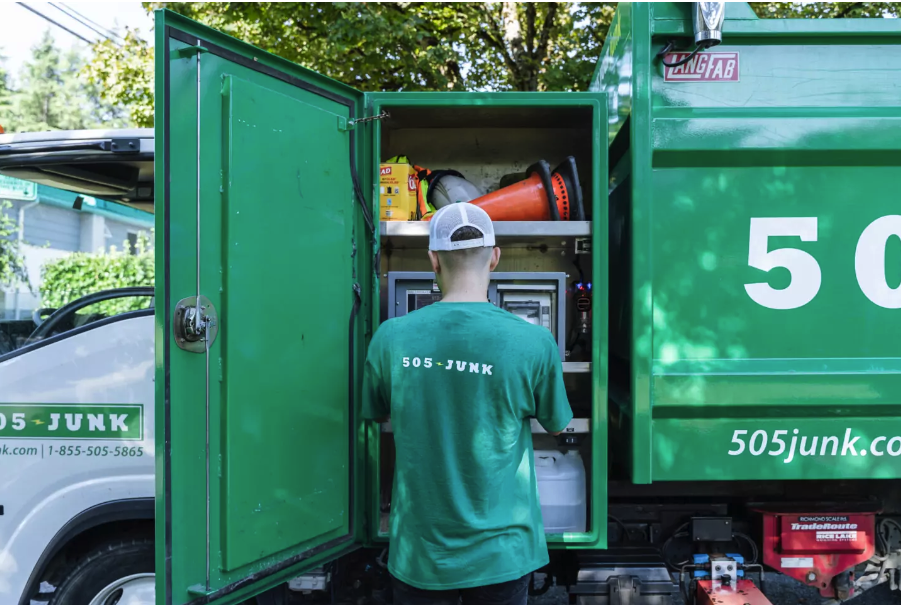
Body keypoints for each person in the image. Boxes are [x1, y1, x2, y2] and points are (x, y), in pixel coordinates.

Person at [362, 202, 573, 605]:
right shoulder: (534, 342)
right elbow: (558, 424)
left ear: (433, 260)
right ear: (495, 256)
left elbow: (379, 413)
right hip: (502, 552)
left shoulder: (390, 337)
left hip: (422, 553)